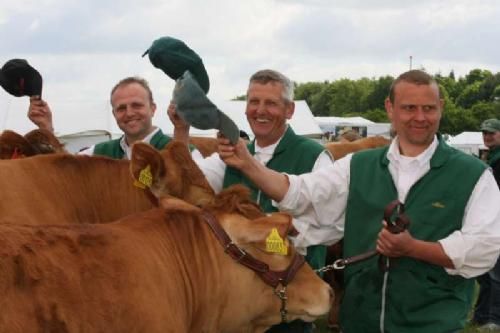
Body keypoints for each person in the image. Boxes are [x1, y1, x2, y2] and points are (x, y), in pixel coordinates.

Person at [217, 70, 500, 333]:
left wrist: (414, 248)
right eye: (408, 108)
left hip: (432, 323)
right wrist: (248, 163)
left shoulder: (473, 174)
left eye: (428, 108)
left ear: (441, 107)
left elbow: (484, 246)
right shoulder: (357, 166)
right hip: (360, 320)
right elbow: (303, 193)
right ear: (390, 108)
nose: (419, 117)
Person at [171, 69, 333, 333]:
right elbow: (186, 187)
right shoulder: (231, 156)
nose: (260, 110)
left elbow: (323, 227)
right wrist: (181, 130)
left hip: (289, 301)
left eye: (271, 103)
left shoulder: (315, 157)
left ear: (290, 110)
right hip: (238, 305)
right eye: (254, 102)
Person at [28, 76, 198, 159]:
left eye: (137, 105)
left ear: (153, 109)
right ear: (114, 114)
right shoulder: (101, 152)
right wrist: (46, 127)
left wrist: (181, 129)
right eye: (121, 108)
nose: (129, 113)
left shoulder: (188, 153)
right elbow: (65, 168)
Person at [472, 118, 500, 331]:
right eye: (485, 133)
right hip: (489, 219)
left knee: (493, 271)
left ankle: (492, 319)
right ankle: (481, 315)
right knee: (485, 270)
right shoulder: (491, 157)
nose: (488, 136)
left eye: (492, 133)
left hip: (496, 220)